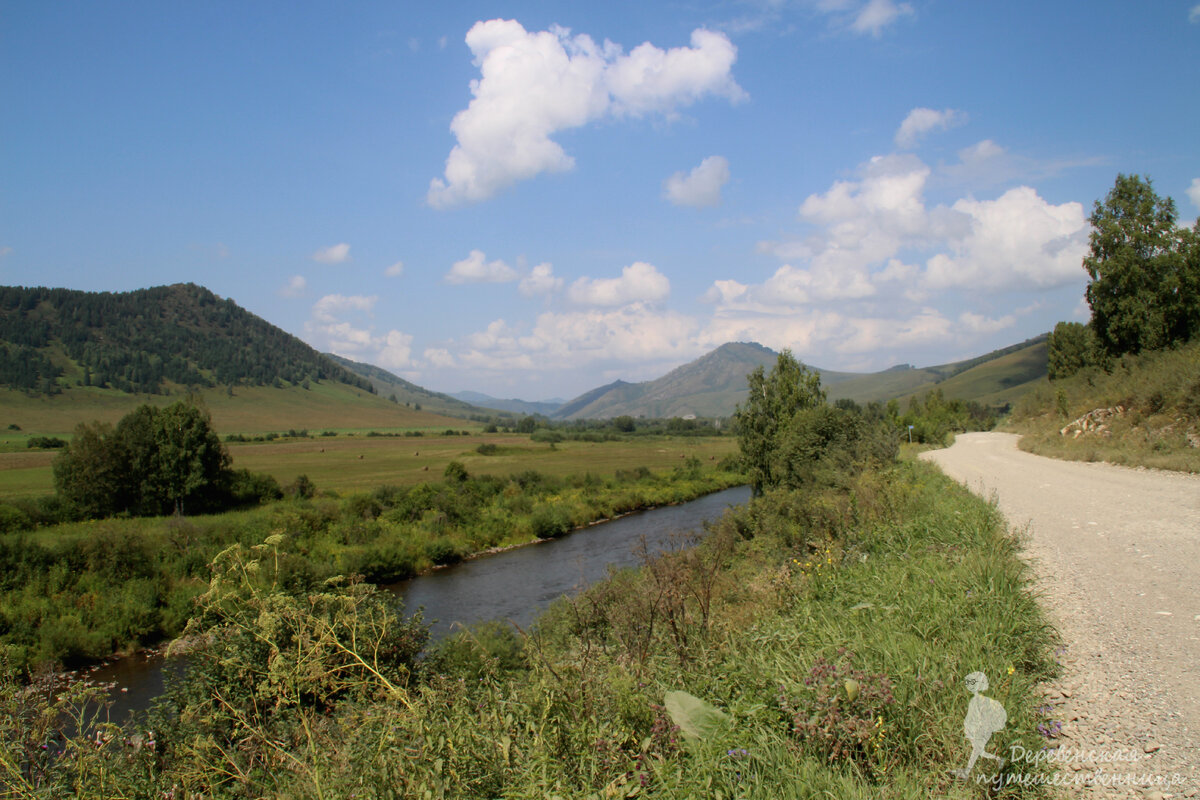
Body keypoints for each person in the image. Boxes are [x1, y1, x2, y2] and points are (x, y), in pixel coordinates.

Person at [953, 671, 1007, 779]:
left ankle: (967, 772)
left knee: (977, 750)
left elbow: (976, 717)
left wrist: (974, 728)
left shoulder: (978, 700)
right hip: (986, 728)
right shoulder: (982, 700)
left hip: (983, 729)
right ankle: (999, 760)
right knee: (979, 751)